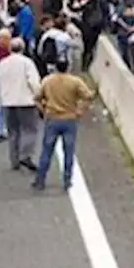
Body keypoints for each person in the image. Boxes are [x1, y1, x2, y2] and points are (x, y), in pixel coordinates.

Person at [33, 58, 96, 191]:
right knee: (68, 151)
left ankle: (40, 179)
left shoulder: (47, 81)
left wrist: (43, 111)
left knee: (46, 151)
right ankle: (67, 180)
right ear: (68, 67)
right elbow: (88, 96)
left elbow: (37, 98)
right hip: (69, 119)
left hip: (52, 119)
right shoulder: (75, 81)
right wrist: (81, 111)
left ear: (56, 67)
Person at [0, 37, 41, 171]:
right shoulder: (27, 63)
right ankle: (25, 155)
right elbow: (34, 82)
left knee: (13, 131)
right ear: (23, 48)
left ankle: (14, 160)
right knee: (29, 130)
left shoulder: (3, 63)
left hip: (8, 102)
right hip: (25, 102)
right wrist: (38, 97)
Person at [114, 3, 134, 69]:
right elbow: (118, 19)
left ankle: (133, 66)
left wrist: (132, 27)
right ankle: (129, 65)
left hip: (128, 34)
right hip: (125, 34)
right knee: (126, 51)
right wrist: (131, 27)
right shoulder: (123, 12)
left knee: (130, 52)